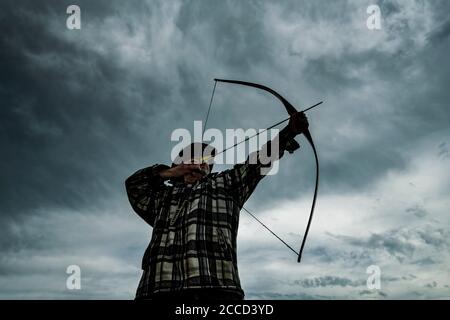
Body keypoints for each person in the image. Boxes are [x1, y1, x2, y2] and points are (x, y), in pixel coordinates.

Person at [125, 112, 309, 300]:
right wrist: (169, 172)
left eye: (208, 161)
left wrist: (289, 132)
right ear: (181, 164)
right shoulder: (162, 197)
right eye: (195, 158)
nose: (203, 163)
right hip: (156, 288)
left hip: (216, 286)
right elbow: (134, 185)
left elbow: (258, 162)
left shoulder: (225, 183)